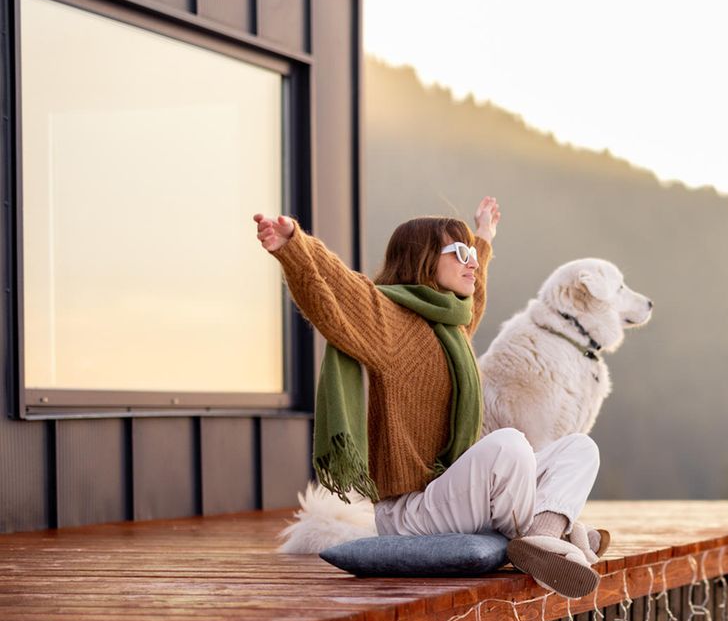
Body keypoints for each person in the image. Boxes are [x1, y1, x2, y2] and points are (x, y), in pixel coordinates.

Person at [253, 199, 604, 597]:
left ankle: (544, 537)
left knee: (579, 449)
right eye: (460, 253)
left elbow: (477, 295)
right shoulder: (388, 321)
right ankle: (561, 530)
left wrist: (483, 237)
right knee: (509, 445)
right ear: (422, 259)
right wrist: (293, 246)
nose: (471, 262)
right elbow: (335, 290)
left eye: (471, 254)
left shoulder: (450, 325)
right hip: (412, 510)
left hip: (454, 495)